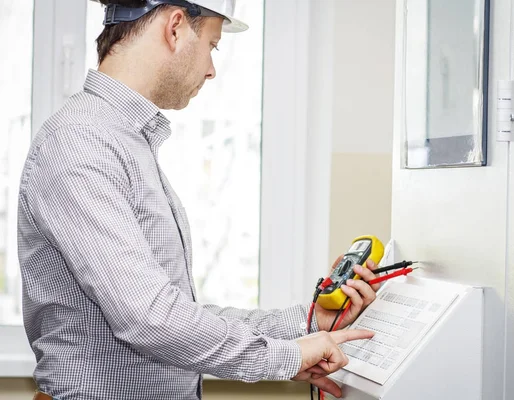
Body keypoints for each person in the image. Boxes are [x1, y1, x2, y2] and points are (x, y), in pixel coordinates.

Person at [17, 1, 381, 399]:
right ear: (175, 27)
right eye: (212, 44)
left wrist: (312, 321)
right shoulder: (82, 142)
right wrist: (285, 357)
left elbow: (173, 313)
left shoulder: (121, 141)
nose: (210, 69)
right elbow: (151, 318)